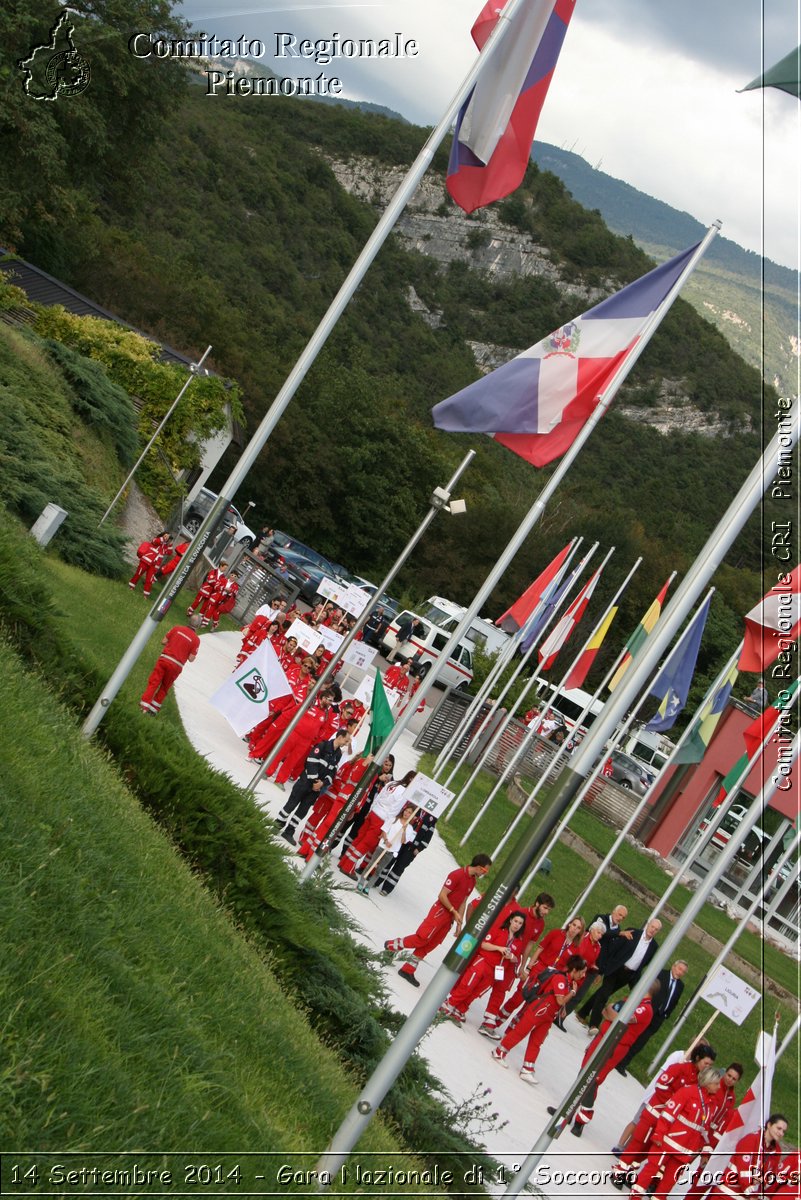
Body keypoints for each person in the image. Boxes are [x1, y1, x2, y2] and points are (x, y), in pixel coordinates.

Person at [549, 982, 660, 1136]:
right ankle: (567, 1112)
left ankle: (582, 1120)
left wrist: (612, 1014)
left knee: (593, 1080)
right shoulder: (631, 999)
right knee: (583, 1073)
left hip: (614, 1045)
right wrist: (612, 1013)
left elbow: (620, 1019)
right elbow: (606, 1010)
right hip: (602, 1038)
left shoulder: (645, 1008)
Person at [611, 1042, 718, 1182]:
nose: (708, 1067)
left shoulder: (698, 1081)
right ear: (697, 1058)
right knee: (638, 1143)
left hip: (667, 1122)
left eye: (710, 1065)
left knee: (648, 1149)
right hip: (655, 1113)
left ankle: (630, 1171)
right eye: (706, 1063)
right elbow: (661, 1084)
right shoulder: (679, 1068)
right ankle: (619, 1171)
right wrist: (673, 1102)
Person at [383, 854, 492, 988]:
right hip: (440, 913)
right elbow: (442, 895)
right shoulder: (457, 875)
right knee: (422, 938)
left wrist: (459, 922)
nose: (484, 874)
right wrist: (453, 910)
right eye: (485, 871)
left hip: (449, 918)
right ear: (479, 867)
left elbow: (463, 901)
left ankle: (408, 970)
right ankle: (391, 946)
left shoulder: (472, 881)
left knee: (431, 944)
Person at [490, 954, 587, 1084]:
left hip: (548, 1015)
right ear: (574, 970)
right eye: (582, 972)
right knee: (520, 1032)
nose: (583, 975)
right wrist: (573, 993)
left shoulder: (568, 982)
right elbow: (559, 999)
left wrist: (563, 1007)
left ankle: (527, 1069)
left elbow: (560, 1000)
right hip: (539, 1009)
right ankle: (499, 1052)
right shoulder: (560, 978)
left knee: (537, 1041)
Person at [627, 1067, 724, 1198]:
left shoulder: (712, 1105)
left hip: (685, 1151)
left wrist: (705, 1151)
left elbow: (704, 1130)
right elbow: (668, 1114)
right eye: (716, 1083)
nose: (719, 1087)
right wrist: (659, 1134)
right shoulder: (687, 1092)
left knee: (670, 1180)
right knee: (651, 1169)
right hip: (666, 1143)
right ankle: (635, 1195)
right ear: (708, 1082)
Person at [440, 912, 527, 1027]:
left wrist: (511, 957)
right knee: (467, 985)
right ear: (510, 920)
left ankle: (460, 1009)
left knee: (477, 992)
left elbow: (515, 959)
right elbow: (483, 945)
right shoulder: (499, 930)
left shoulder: (518, 941)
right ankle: (449, 1004)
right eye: (515, 921)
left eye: (520, 923)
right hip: (484, 962)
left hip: (496, 970)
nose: (517, 925)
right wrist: (498, 948)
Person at [497, 915, 585, 1028]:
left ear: (580, 932)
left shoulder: (576, 948)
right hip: (538, 970)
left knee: (530, 1006)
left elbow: (569, 970)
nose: (574, 929)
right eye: (573, 925)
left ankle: (510, 1031)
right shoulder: (556, 933)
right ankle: (497, 1021)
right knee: (518, 997)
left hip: (551, 979)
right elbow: (539, 949)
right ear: (569, 924)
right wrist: (528, 968)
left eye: (578, 928)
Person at [582, 917, 662, 1031]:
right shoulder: (632, 933)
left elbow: (646, 961)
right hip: (616, 969)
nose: (653, 930)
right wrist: (603, 968)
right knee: (604, 995)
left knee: (604, 992)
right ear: (648, 925)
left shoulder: (654, 946)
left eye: (656, 929)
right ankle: (594, 1025)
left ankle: (582, 1012)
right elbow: (615, 948)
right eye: (652, 926)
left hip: (630, 975)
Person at [274, 727, 351, 844]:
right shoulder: (322, 746)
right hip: (305, 782)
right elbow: (311, 762)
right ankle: (277, 825)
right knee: (291, 804)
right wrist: (316, 781)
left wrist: (323, 783)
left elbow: (332, 772)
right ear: (339, 737)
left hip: (316, 788)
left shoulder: (338, 754)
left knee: (302, 811)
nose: (347, 744)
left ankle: (289, 831)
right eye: (346, 741)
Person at [338, 770, 417, 877]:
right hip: (382, 819)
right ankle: (348, 867)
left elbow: (378, 796)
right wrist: (387, 827)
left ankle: (344, 861)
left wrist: (370, 811)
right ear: (411, 780)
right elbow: (394, 810)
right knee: (366, 843)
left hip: (374, 812)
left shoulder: (392, 783)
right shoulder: (404, 793)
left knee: (360, 838)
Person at [615, 959, 688, 1073]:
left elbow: (674, 1001)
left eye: (683, 972)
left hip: (658, 1018)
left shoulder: (680, 986)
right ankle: (616, 1057)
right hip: (648, 1011)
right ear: (674, 966)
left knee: (641, 1042)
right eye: (679, 969)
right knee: (632, 1036)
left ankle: (623, 1064)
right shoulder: (661, 974)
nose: (680, 973)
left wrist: (666, 1013)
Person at [567, 904, 628, 1018]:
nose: (620, 918)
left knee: (580, 994)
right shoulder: (601, 918)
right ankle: (554, 1010)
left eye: (623, 917)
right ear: (613, 911)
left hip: (595, 968)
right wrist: (618, 934)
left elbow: (611, 952)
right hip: (582, 962)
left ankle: (562, 1017)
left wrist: (601, 972)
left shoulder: (618, 931)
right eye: (620, 914)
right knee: (568, 986)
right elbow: (601, 933)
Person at [706, 1115, 788, 1198]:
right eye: (778, 1128)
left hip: (745, 1196)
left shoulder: (777, 1150)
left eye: (784, 1131)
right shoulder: (751, 1139)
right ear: (769, 1125)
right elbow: (744, 1169)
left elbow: (770, 1175)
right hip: (726, 1192)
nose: (781, 1133)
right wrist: (752, 1194)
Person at [140, 614, 201, 715]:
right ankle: (153, 709)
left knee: (154, 681)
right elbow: (191, 659)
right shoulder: (196, 640)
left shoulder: (177, 628)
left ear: (189, 621)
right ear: (198, 626)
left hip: (165, 659)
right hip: (176, 666)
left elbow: (163, 641)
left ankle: (144, 705)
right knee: (164, 687)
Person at [554, 919, 605, 1031]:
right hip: (573, 970)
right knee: (563, 990)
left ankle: (561, 1017)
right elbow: (577, 953)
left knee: (577, 997)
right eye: (599, 932)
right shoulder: (583, 938)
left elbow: (592, 960)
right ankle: (553, 1011)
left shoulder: (598, 947)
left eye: (602, 934)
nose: (600, 936)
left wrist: (592, 966)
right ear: (592, 930)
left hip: (582, 974)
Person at [356, 802, 418, 894]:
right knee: (371, 865)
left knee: (379, 870)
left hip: (391, 852)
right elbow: (384, 831)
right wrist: (386, 841)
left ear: (412, 815)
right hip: (382, 846)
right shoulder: (394, 820)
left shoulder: (409, 828)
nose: (406, 813)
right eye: (406, 811)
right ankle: (361, 882)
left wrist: (404, 831)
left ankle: (368, 887)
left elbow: (403, 841)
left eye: (409, 812)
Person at [129, 532, 171, 597]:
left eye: (167, 537)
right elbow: (156, 542)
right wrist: (162, 538)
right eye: (165, 536)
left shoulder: (164, 547)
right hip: (145, 561)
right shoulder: (156, 540)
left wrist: (170, 544)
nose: (166, 538)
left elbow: (169, 552)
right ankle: (131, 586)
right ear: (162, 535)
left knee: (149, 580)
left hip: (153, 565)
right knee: (138, 574)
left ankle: (145, 594)